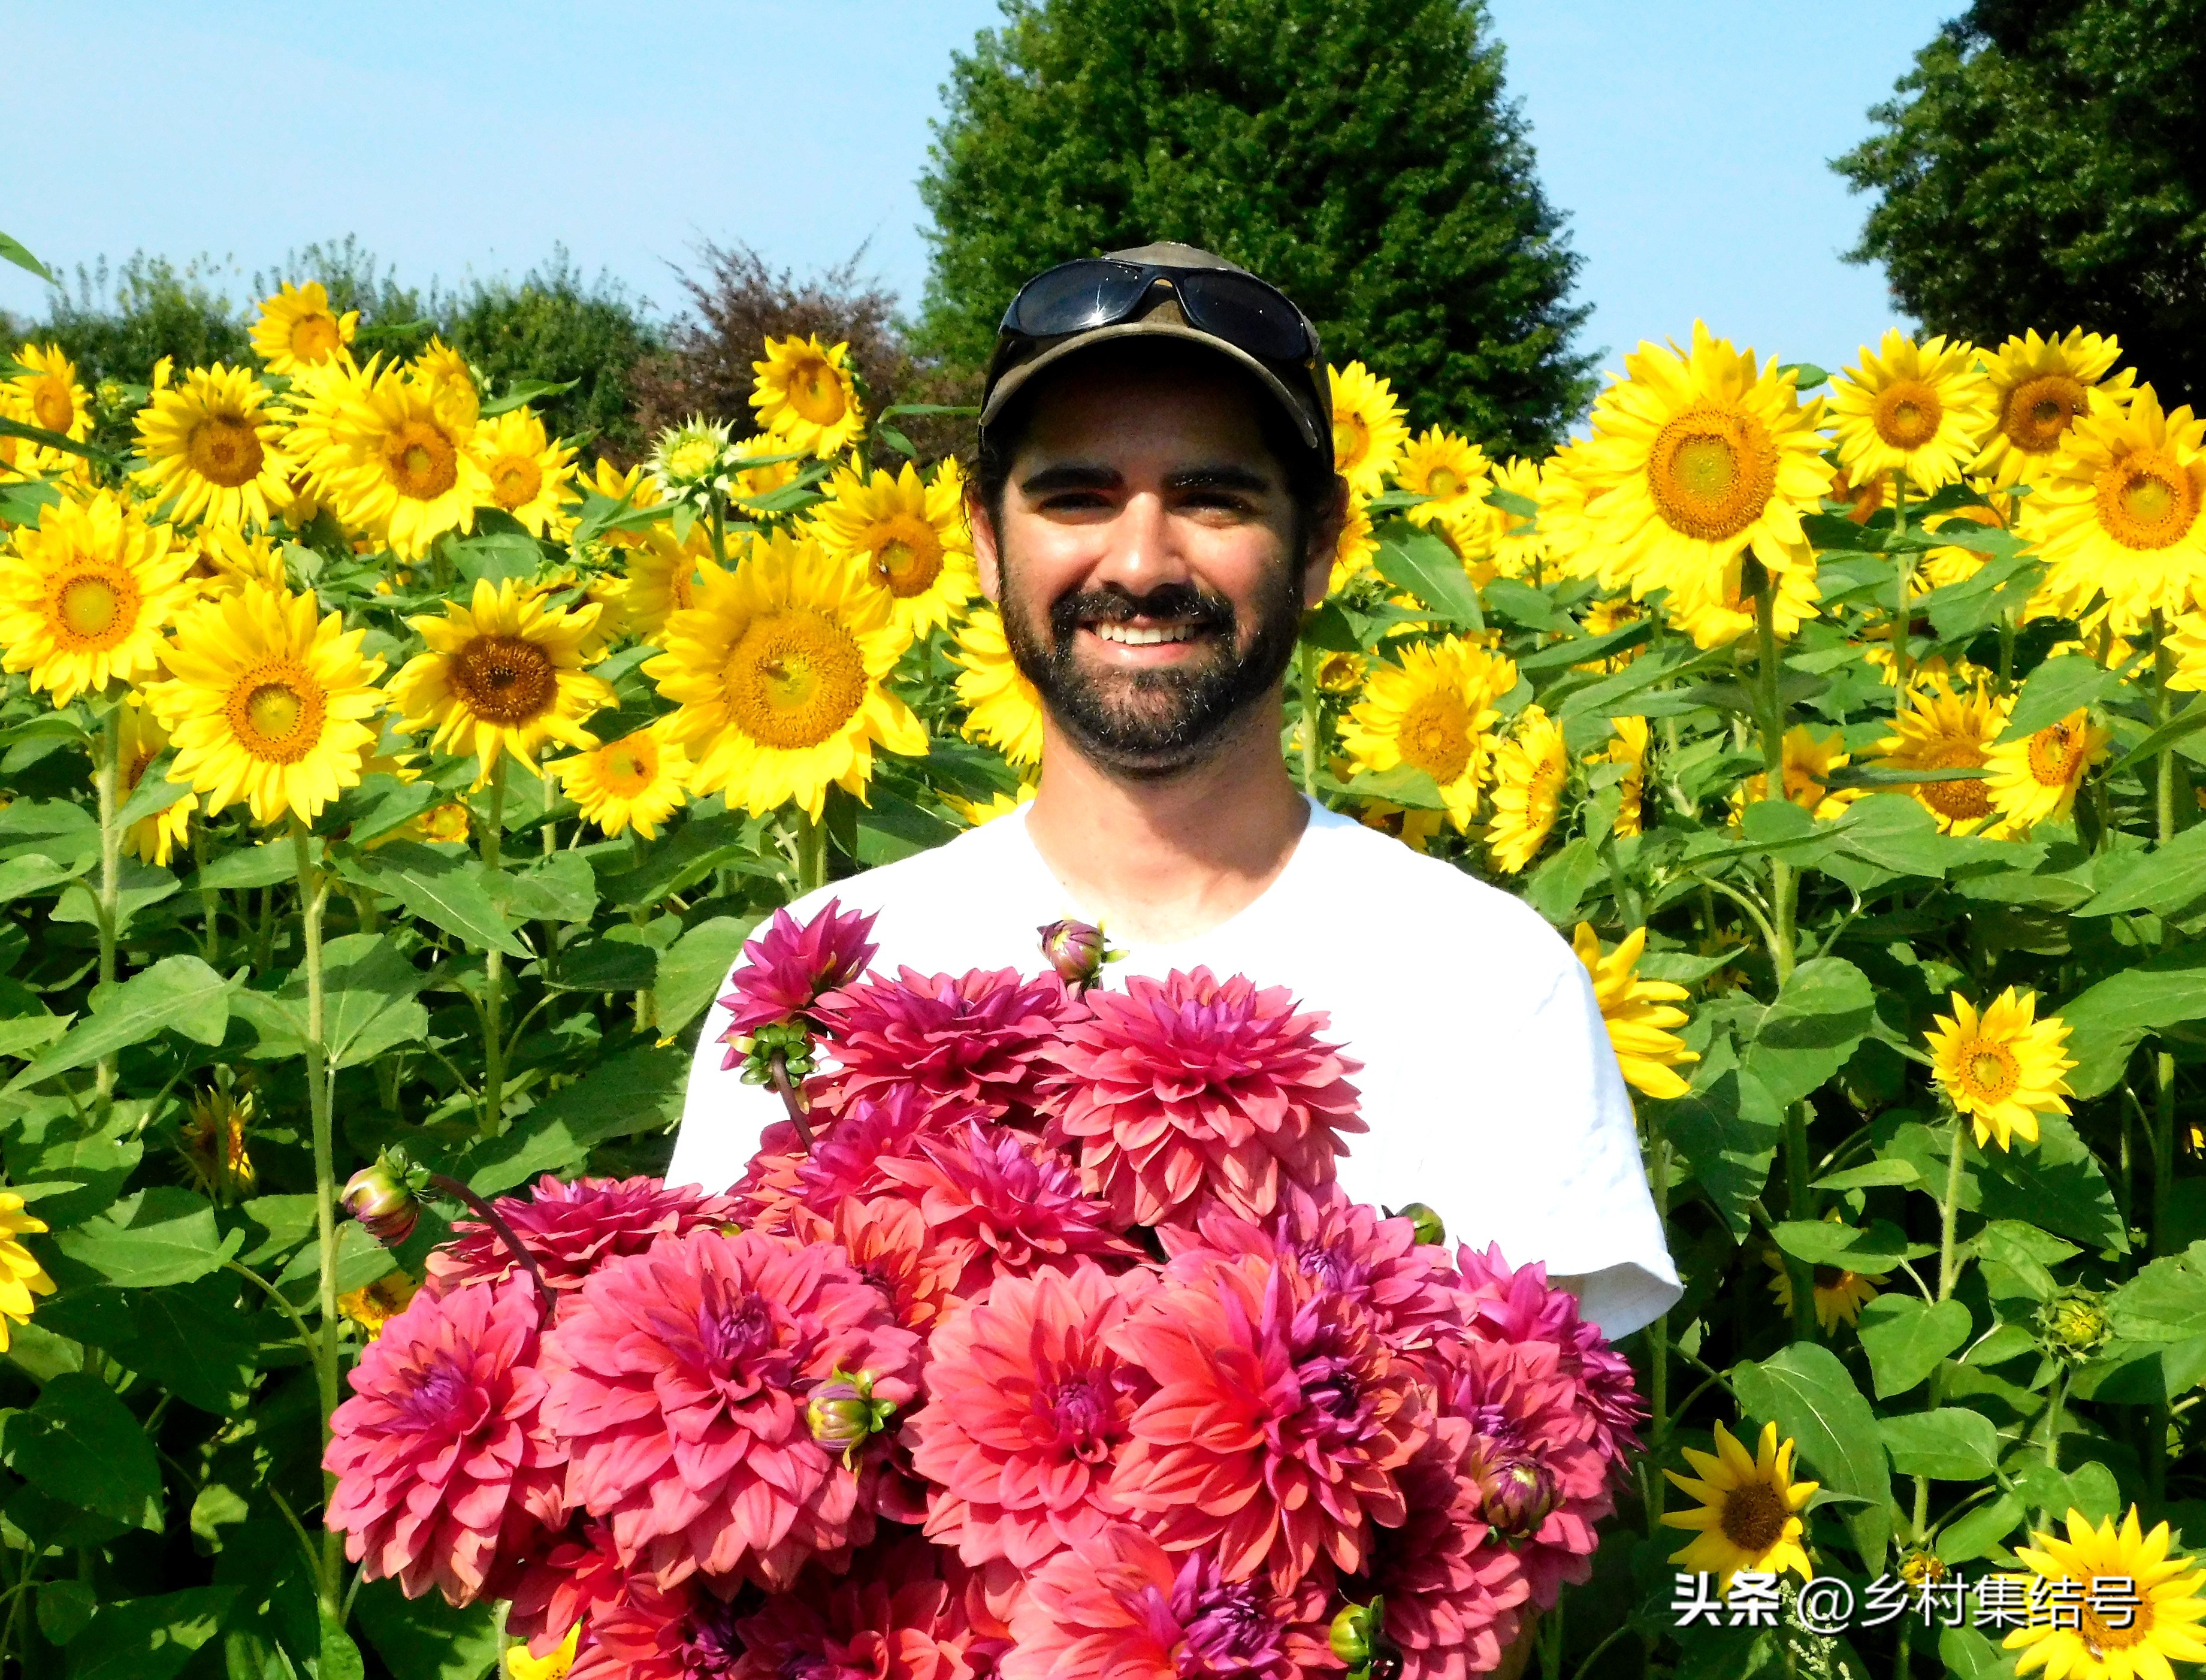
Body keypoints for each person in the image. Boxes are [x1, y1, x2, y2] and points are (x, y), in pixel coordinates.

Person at [666, 241, 1681, 1346]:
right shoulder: (822, 975)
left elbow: (1531, 1452)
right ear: (985, 544)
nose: (1141, 561)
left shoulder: (1487, 983)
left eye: (1212, 499)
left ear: (1319, 547)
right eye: (1076, 497)